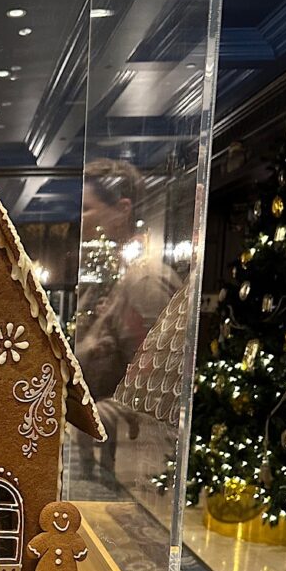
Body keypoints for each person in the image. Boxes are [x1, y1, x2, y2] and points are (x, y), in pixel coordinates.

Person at [74, 159, 181, 467]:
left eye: (87, 208)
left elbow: (160, 384)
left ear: (122, 210)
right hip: (104, 451)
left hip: (133, 461)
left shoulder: (145, 282)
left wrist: (103, 414)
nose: (80, 218)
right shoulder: (116, 276)